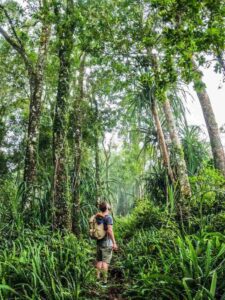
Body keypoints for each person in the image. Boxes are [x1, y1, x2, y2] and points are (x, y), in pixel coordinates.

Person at [95, 201, 118, 285]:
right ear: (107, 208)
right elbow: (109, 230)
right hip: (107, 243)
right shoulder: (108, 217)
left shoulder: (98, 217)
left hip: (99, 241)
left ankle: (97, 279)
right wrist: (114, 243)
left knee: (99, 261)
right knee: (105, 262)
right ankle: (104, 281)